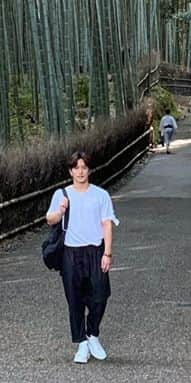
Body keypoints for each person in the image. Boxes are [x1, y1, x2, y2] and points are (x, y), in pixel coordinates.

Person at [45, 151, 118, 364]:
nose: (80, 172)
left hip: (95, 250)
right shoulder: (62, 195)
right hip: (71, 252)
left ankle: (92, 334)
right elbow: (50, 219)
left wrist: (107, 253)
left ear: (89, 170)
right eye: (76, 168)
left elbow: (107, 224)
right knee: (75, 299)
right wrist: (60, 211)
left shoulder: (100, 195)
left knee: (100, 295)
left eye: (84, 167)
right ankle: (82, 344)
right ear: (70, 171)